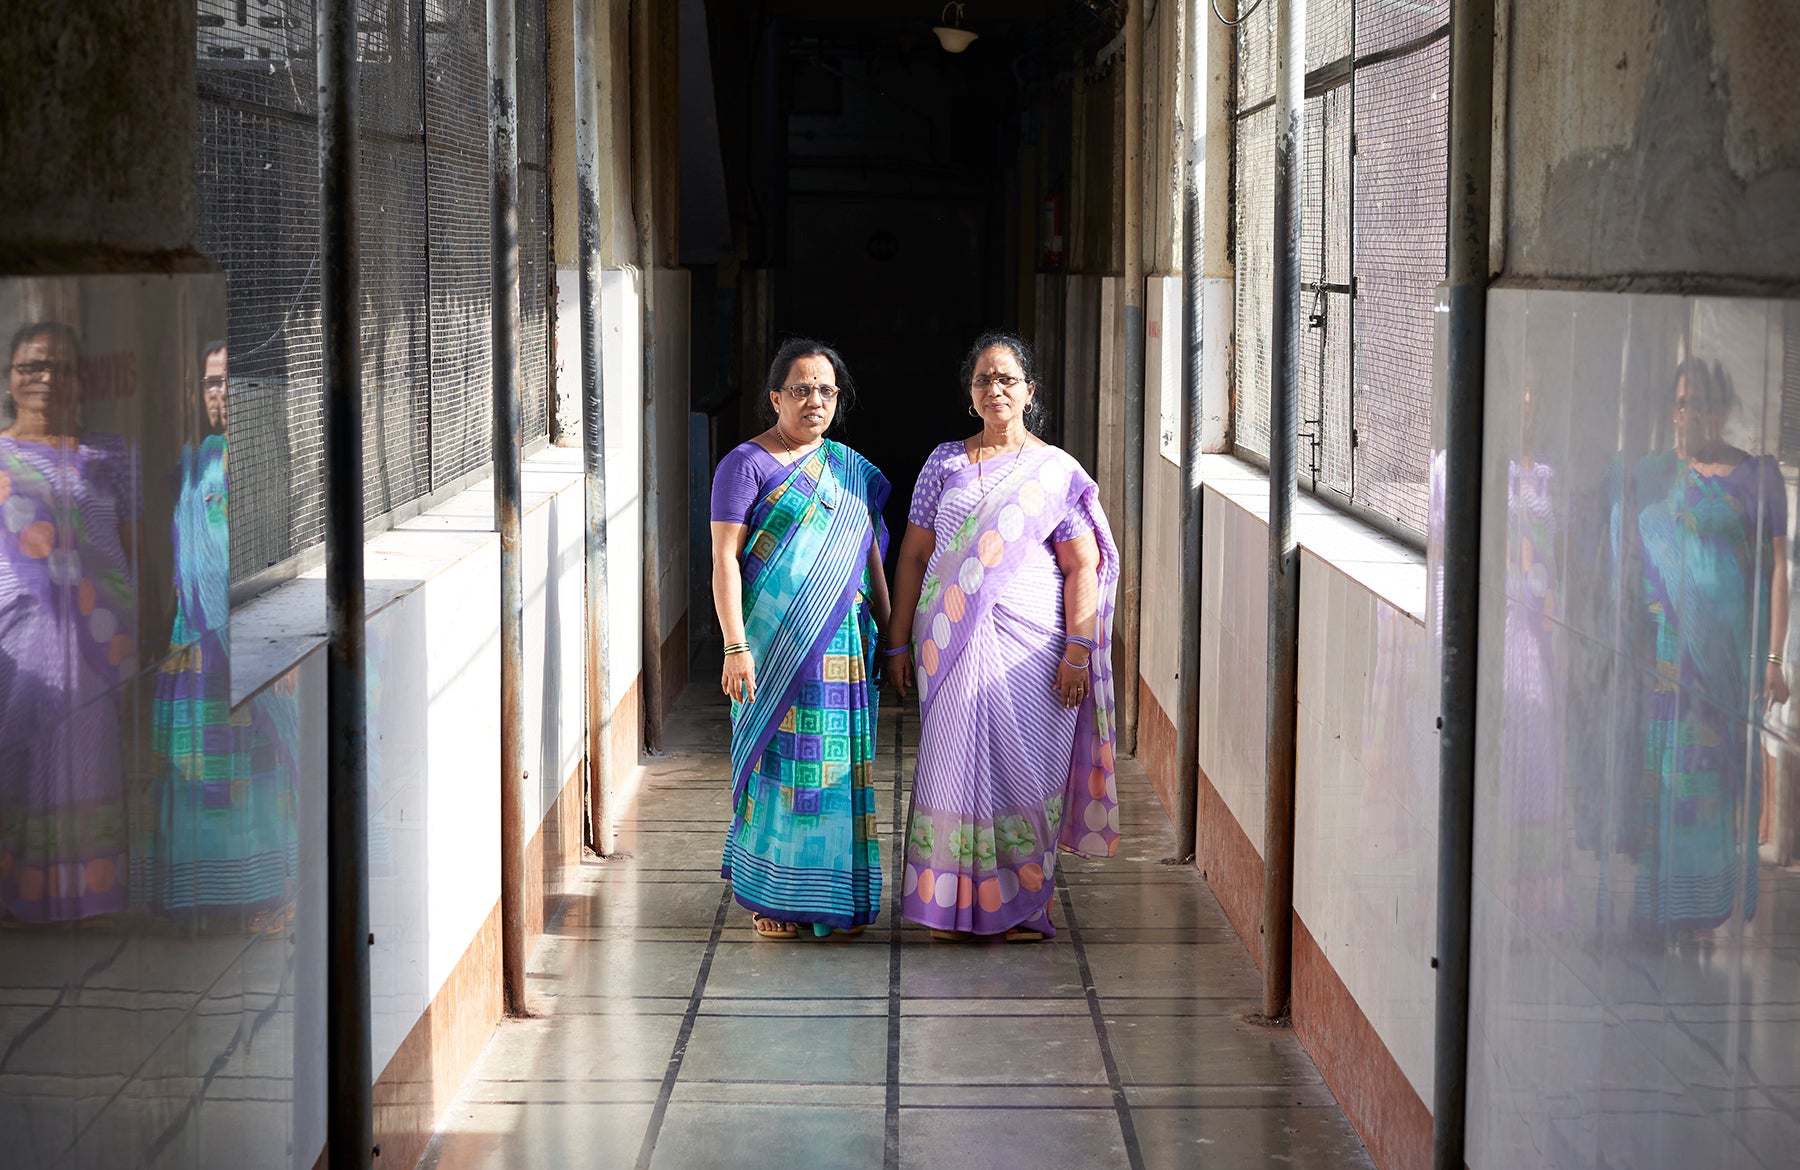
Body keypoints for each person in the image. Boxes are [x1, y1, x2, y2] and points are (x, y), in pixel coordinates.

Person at [887, 331, 1120, 942]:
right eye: (984, 380)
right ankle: (949, 908)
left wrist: (1079, 650)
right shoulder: (944, 463)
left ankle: (1018, 905)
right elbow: (913, 556)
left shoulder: (1054, 472)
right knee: (950, 765)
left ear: (1029, 392)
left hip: (1034, 650)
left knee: (1024, 772)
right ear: (970, 395)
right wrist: (899, 639)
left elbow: (1082, 566)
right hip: (950, 644)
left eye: (1007, 379)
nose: (996, 389)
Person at [711, 338, 891, 940]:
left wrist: (891, 643)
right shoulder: (746, 464)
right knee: (781, 770)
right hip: (771, 650)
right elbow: (725, 561)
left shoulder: (850, 468)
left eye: (826, 391)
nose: (815, 400)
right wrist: (735, 645)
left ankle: (836, 897)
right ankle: (776, 896)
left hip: (840, 649)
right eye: (801, 389)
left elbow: (869, 560)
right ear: (775, 397)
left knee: (836, 768)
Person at [1627, 358, 1787, 944]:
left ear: (1717, 410)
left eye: (1691, 402)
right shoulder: (1666, 477)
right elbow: (1643, 539)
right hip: (1672, 664)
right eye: (1676, 403)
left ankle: (1705, 907)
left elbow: (1777, 572)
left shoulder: (1756, 476)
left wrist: (1774, 660)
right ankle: (1664, 906)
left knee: (1714, 782)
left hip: (1726, 666)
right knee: (1672, 780)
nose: (1680, 415)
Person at [147, 343, 295, 926]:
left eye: (231, 382)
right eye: (211, 383)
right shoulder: (195, 465)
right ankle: (200, 897)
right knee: (198, 769)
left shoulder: (271, 460)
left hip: (252, 642)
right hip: (196, 651)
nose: (220, 394)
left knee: (254, 773)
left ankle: (264, 891)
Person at [0, 322, 138, 922]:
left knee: (87, 753)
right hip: (17, 640)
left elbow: (134, 551)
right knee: (16, 755)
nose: (46, 377)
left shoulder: (109, 455)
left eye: (60, 367)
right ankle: (17, 897)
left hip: (98, 639)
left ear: (81, 381)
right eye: (32, 366)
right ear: (10, 378)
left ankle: (87, 898)